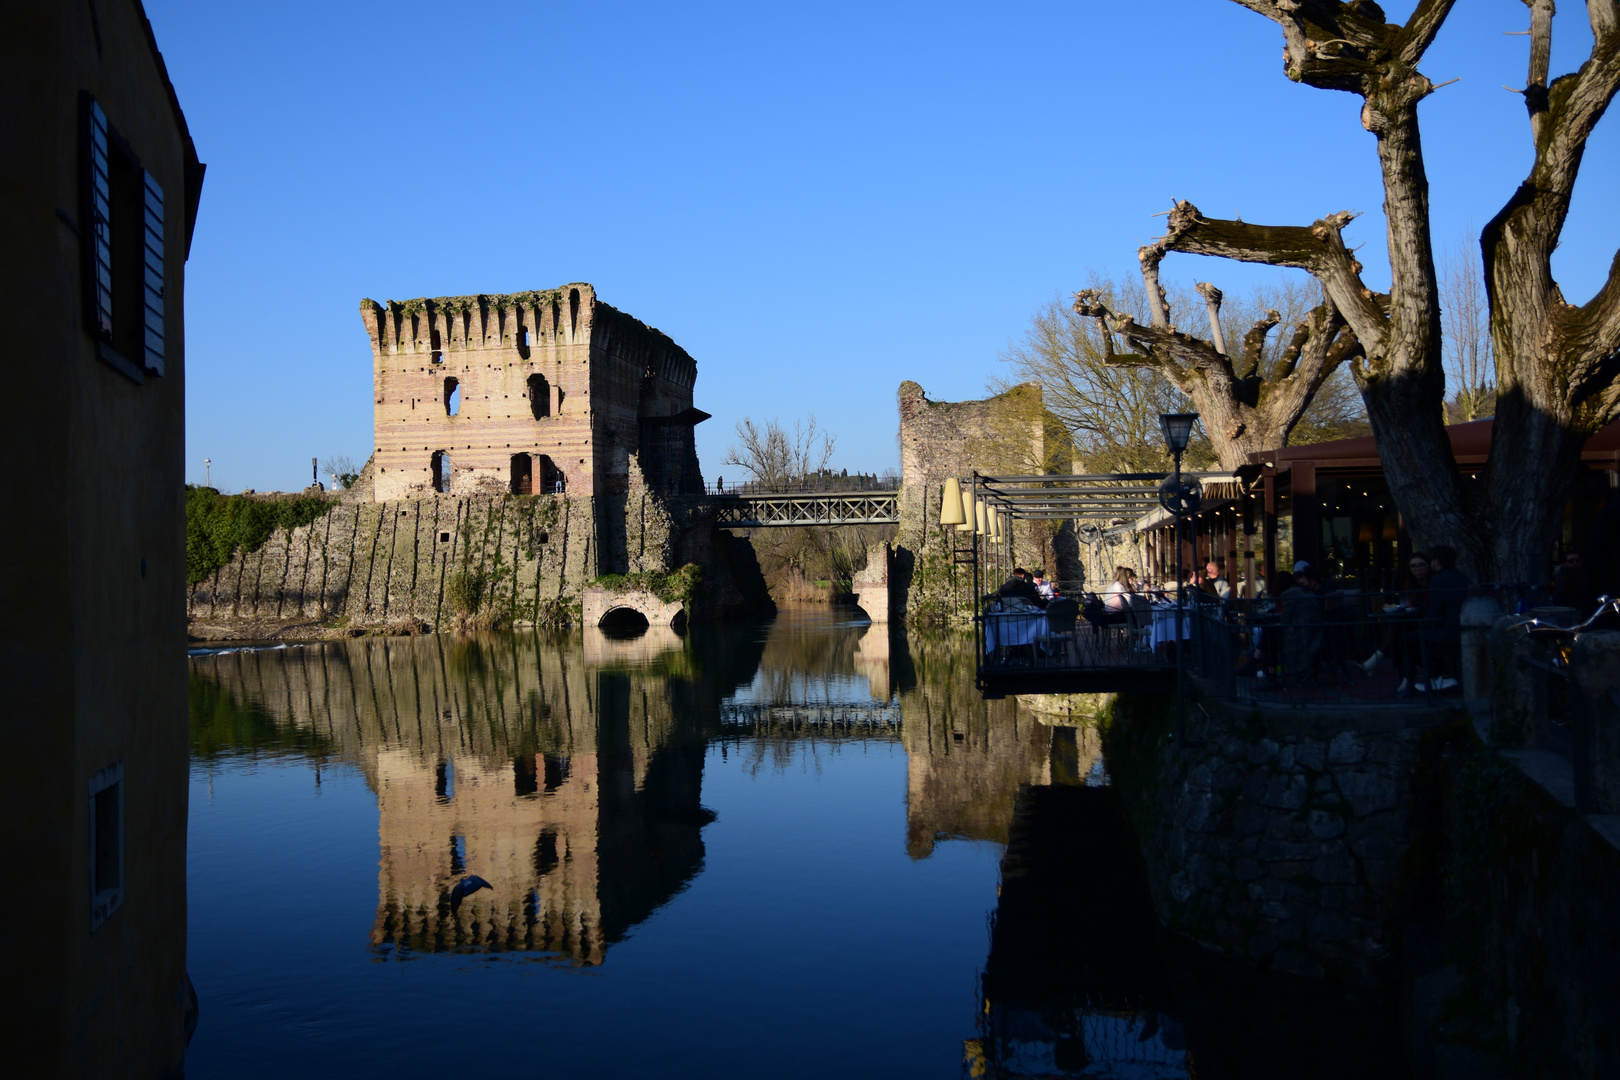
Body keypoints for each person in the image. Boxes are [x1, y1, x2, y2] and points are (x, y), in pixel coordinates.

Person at [1365, 551, 1430, 675]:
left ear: (1428, 565)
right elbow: (1407, 604)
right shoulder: (1409, 584)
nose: (1418, 569)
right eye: (1414, 566)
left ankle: (1378, 658)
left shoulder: (1433, 583)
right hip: (1412, 621)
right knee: (1397, 629)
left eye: (1421, 565)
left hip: (1426, 622)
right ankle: (1405, 679)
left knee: (1398, 631)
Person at [1421, 545, 1470, 692]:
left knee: (1408, 641)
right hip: (1461, 629)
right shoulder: (1462, 577)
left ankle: (1433, 678)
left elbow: (1434, 612)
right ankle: (1442, 675)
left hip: (1448, 634)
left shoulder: (1438, 581)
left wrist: (1423, 624)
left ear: (1437, 562)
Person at [1280, 565, 1326, 683]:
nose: (1301, 585)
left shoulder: (1302, 595)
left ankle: (1265, 669)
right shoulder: (1315, 594)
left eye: (1302, 582)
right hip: (1315, 634)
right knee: (1268, 637)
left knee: (1269, 637)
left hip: (1305, 637)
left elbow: (1285, 620)